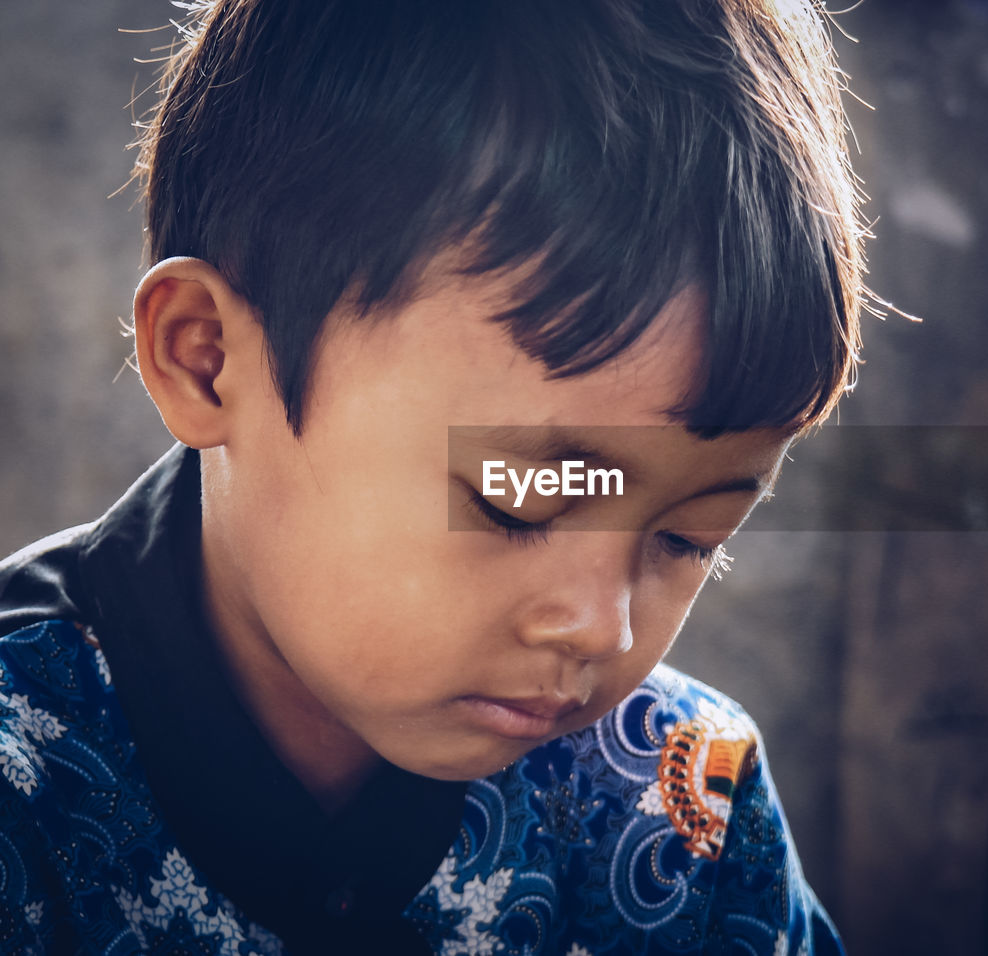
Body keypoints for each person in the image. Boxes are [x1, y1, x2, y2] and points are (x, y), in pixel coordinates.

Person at [0, 0, 864, 951]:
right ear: (207, 359)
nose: (601, 627)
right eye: (520, 499)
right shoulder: (23, 779)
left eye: (688, 537)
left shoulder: (684, 806)